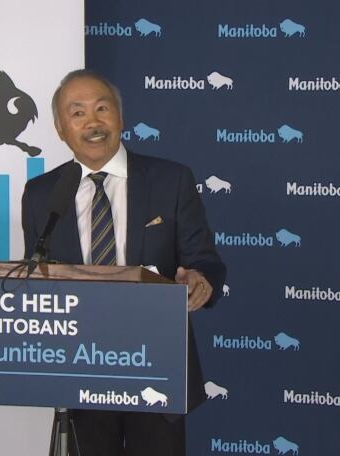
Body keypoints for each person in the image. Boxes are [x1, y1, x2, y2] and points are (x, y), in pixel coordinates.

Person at [21, 69, 226, 455]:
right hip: (78, 370)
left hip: (157, 367)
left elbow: (205, 261)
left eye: (102, 108)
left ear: (120, 117)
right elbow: (36, 277)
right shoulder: (42, 194)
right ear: (60, 128)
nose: (93, 122)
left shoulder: (171, 180)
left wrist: (199, 278)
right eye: (77, 113)